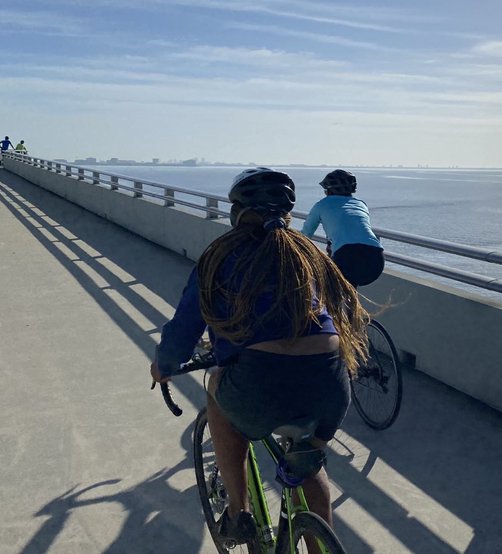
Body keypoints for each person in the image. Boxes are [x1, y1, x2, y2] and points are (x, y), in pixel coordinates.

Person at [149, 167, 370, 545]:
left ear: (236, 212)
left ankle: (238, 514)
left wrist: (163, 367)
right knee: (307, 463)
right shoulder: (308, 255)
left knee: (216, 390)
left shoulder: (221, 256)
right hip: (331, 385)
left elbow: (183, 330)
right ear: (287, 214)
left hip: (260, 383)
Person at [301, 169, 385, 287]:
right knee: (350, 291)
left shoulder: (321, 205)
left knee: (330, 291)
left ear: (328, 190)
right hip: (375, 257)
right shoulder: (361, 204)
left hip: (346, 254)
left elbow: (305, 235)